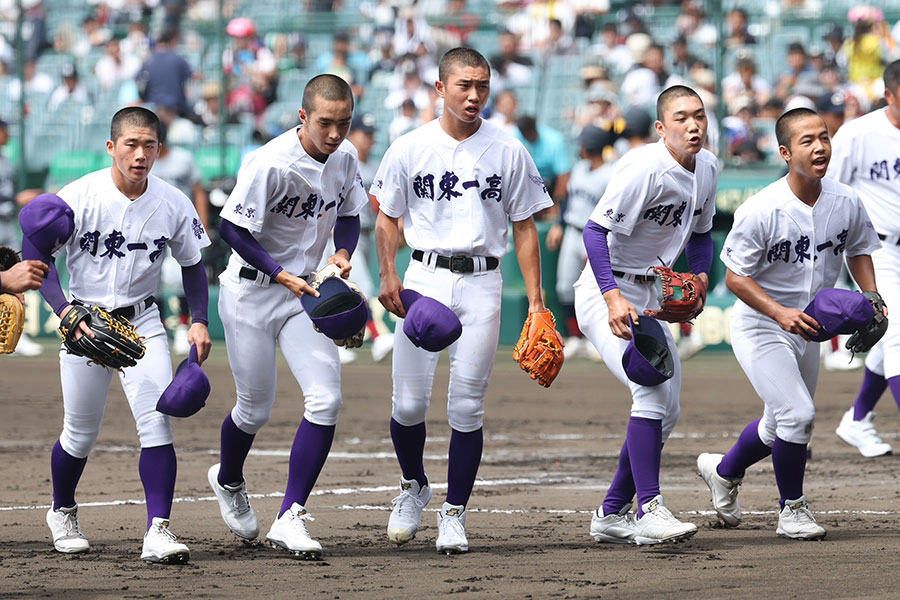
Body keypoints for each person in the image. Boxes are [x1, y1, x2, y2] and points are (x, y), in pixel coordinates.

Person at [372, 47, 553, 554]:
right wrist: (387, 272)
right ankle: (413, 485)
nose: (474, 96)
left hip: (482, 282)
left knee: (467, 407)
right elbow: (387, 216)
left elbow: (525, 226)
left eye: (482, 86)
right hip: (424, 278)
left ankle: (454, 512)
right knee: (408, 403)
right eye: (463, 85)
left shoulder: (509, 149)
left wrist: (536, 301)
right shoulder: (409, 147)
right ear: (440, 88)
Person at [25, 106, 211, 562]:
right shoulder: (79, 195)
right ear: (111, 147)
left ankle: (158, 529)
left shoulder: (173, 202)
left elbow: (193, 264)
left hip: (142, 321)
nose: (140, 154)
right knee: (79, 433)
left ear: (160, 150)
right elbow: (36, 248)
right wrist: (63, 310)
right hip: (83, 322)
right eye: (131, 144)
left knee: (156, 423)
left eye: (149, 145)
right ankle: (62, 510)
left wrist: (200, 319)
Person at [697, 107, 881, 541]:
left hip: (811, 326)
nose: (819, 147)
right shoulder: (762, 208)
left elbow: (859, 249)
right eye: (807, 140)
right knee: (798, 414)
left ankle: (723, 472)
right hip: (763, 324)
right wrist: (779, 313)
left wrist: (872, 296)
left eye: (824, 137)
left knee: (777, 424)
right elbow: (735, 278)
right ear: (784, 152)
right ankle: (792, 510)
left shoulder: (846, 200)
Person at [206, 74, 367, 559]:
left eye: (344, 123)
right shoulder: (270, 162)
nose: (335, 133)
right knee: (254, 409)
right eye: (325, 122)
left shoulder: (346, 157)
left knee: (326, 400)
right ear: (303, 116)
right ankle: (228, 478)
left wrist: (342, 252)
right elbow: (231, 229)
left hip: (307, 292)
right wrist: (280, 274)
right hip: (252, 291)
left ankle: (290, 515)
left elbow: (350, 214)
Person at [573, 85, 718, 545]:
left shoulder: (708, 167)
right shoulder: (643, 168)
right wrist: (613, 297)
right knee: (650, 389)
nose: (693, 125)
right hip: (606, 289)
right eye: (681, 117)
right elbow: (594, 232)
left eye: (699, 115)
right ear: (660, 127)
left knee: (668, 410)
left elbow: (702, 234)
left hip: (649, 291)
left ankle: (611, 512)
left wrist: (700, 277)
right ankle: (649, 509)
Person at [829, 60, 900, 457]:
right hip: (879, 251)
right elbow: (829, 190)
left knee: (890, 339)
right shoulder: (859, 134)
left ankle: (857, 419)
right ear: (888, 95)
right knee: (899, 336)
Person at [545, 125, 616, 360]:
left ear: (591, 146)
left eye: (583, 144)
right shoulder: (579, 168)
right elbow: (567, 200)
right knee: (565, 287)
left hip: (595, 236)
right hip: (572, 231)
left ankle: (598, 339)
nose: (579, 148)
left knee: (596, 291)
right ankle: (575, 337)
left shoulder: (610, 174)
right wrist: (558, 224)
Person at [151, 121, 209, 355]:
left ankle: (183, 326)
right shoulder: (144, 162)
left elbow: (198, 190)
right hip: (150, 228)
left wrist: (202, 224)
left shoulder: (183, 158)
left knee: (181, 277)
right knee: (152, 281)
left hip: (179, 225)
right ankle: (159, 328)